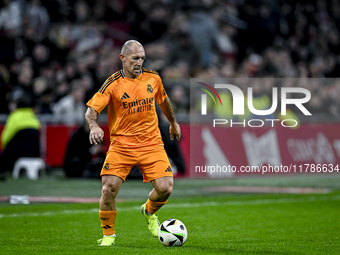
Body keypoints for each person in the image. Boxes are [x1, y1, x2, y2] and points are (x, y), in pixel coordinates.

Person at [85, 40, 181, 246]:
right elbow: (91, 111)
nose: (139, 62)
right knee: (108, 188)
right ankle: (108, 235)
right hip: (122, 144)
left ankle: (148, 211)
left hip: (151, 143)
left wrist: (173, 122)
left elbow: (163, 101)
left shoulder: (153, 78)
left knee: (166, 188)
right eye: (135, 58)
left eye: (142, 58)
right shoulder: (113, 83)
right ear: (123, 58)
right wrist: (93, 126)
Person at [0, 95, 40, 175]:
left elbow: (6, 137)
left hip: (16, 153)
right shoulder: (33, 118)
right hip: (33, 153)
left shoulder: (14, 116)